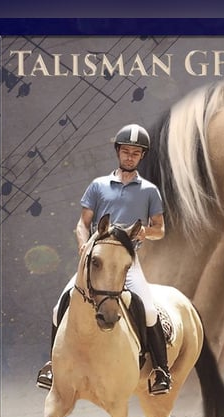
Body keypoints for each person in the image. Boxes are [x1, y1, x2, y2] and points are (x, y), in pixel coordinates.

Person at [36, 124, 173, 396]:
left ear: (141, 156)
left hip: (126, 262)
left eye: (136, 153)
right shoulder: (98, 186)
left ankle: (161, 371)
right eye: (126, 151)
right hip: (96, 260)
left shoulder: (149, 191)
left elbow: (160, 229)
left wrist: (144, 231)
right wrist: (84, 246)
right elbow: (82, 223)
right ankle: (52, 365)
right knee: (59, 305)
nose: (130, 156)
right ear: (118, 152)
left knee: (147, 309)